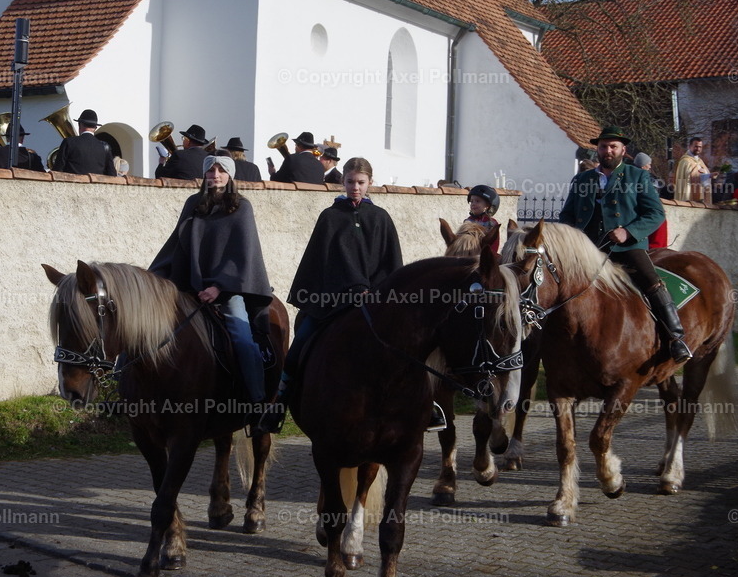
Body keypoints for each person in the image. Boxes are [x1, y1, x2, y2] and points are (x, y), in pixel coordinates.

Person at [257, 157, 433, 433]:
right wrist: (350, 290)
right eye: (350, 182)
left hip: (375, 304)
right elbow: (322, 264)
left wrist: (376, 294)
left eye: (361, 183)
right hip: (332, 303)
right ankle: (279, 404)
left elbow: (390, 266)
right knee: (297, 348)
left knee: (410, 348)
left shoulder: (381, 219)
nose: (355, 187)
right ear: (343, 181)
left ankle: (425, 406)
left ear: (370, 183)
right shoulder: (330, 218)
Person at [149, 154, 274, 423]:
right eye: (210, 170)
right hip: (190, 287)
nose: (215, 174)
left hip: (227, 291)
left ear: (230, 175)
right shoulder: (193, 204)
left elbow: (244, 255)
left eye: (221, 170)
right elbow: (177, 245)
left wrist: (219, 287)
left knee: (242, 339)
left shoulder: (241, 207)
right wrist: (157, 278)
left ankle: (257, 402)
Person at [560, 126, 692, 363]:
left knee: (651, 281)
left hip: (626, 248)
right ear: (597, 149)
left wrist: (628, 231)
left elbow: (655, 214)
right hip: (587, 251)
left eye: (613, 146)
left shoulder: (637, 176)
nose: (607, 151)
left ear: (623, 149)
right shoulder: (582, 179)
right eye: (603, 146)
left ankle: (676, 338)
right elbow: (567, 216)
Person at [57, 109, 116, 176]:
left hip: (72, 185)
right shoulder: (104, 147)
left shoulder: (68, 142)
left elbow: (57, 171)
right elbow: (112, 174)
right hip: (96, 186)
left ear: (79, 125)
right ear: (95, 128)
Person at [634, 152, 669, 249]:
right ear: (643, 165)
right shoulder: (644, 178)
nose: (650, 166)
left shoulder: (646, 177)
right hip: (649, 213)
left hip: (651, 211)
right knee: (656, 244)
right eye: (648, 164)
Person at [673, 137, 713, 203]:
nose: (698, 149)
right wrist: (702, 175)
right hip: (689, 195)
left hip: (701, 194)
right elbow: (688, 178)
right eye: (696, 146)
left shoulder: (700, 161)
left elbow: (704, 175)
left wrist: (708, 174)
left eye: (700, 147)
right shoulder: (685, 161)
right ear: (689, 146)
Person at [465, 184, 501, 254]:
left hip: (484, 256)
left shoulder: (491, 223)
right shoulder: (468, 221)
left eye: (477, 201)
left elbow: (494, 243)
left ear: (487, 206)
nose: (473, 204)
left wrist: (489, 255)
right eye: (471, 201)